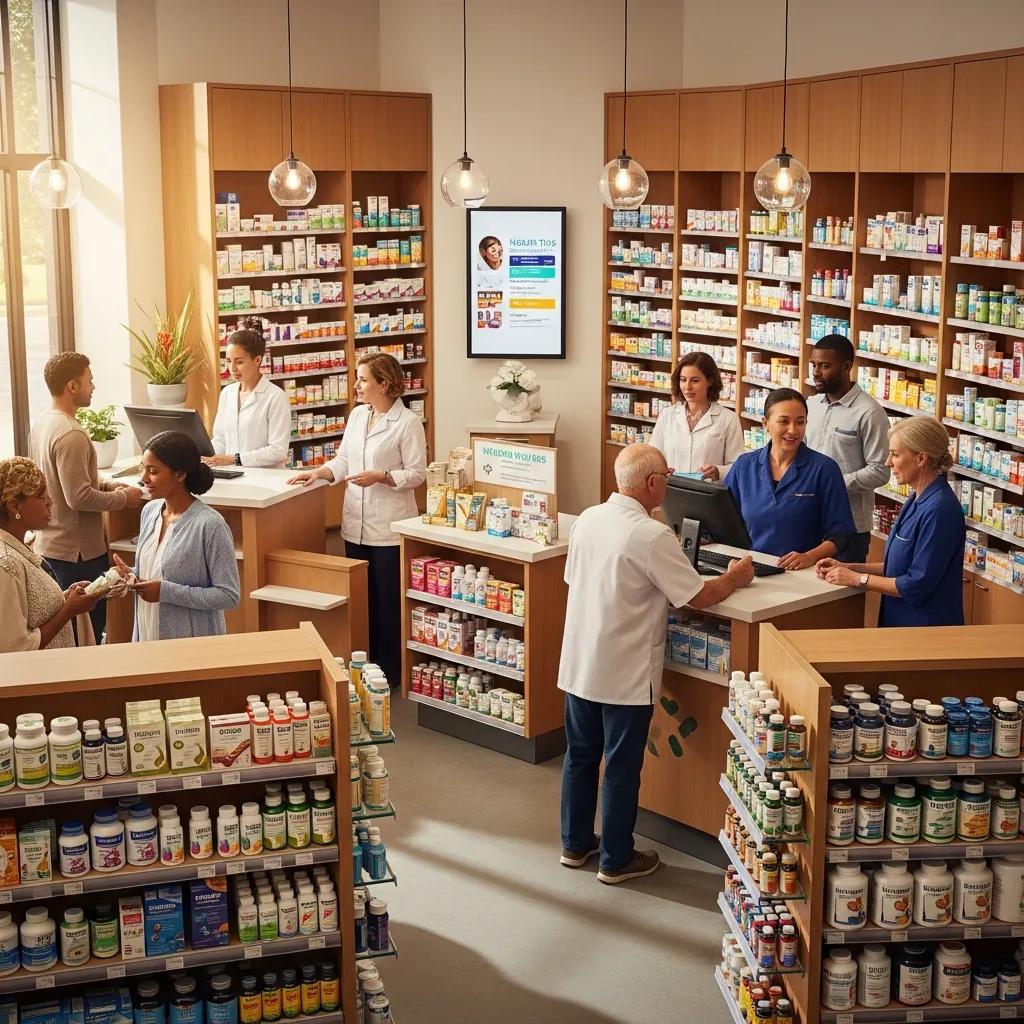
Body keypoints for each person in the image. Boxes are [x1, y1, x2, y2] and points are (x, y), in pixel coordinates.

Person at [558, 444, 754, 884]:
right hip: (624, 672)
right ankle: (616, 859)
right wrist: (735, 578)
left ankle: (574, 844)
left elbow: (577, 578)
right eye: (666, 475)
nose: (670, 481)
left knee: (581, 757)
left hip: (580, 663)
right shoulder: (651, 535)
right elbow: (698, 595)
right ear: (651, 483)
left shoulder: (589, 518)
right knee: (622, 766)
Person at [288, 353, 426, 684]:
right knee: (363, 603)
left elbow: (417, 473)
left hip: (388, 529)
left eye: (363, 379)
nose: (356, 385)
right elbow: (344, 460)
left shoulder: (406, 422)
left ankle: (392, 673)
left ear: (385, 384)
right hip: (355, 526)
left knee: (388, 604)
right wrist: (318, 473)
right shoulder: (357, 416)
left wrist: (381, 476)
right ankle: (367, 669)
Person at [30, 352, 144, 642]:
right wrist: (124, 500)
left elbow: (70, 482)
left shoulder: (45, 423)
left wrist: (108, 487)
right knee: (87, 635)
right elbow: (78, 497)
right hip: (77, 552)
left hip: (54, 546)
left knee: (72, 636)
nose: (93, 387)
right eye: (89, 381)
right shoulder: (71, 434)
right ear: (72, 386)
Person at [817, 416, 966, 627]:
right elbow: (899, 567)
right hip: (899, 619)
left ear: (921, 458)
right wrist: (851, 567)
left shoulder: (940, 510)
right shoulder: (916, 498)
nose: (888, 462)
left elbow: (916, 583)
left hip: (926, 628)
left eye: (895, 454)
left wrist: (856, 579)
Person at [112, 431, 240, 642]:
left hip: (190, 650)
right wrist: (132, 575)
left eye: (153, 471)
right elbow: (162, 571)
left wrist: (165, 592)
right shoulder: (150, 512)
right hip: (147, 637)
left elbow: (229, 595)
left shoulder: (210, 525)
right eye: (143, 468)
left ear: (180, 475)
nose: (143, 479)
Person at [724, 388, 855, 570]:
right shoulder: (744, 466)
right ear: (766, 423)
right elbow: (724, 520)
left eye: (800, 422)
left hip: (802, 574)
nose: (793, 430)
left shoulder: (824, 469)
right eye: (783, 421)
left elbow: (841, 535)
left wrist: (808, 557)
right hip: (751, 569)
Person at [0, 457, 101, 652]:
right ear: (14, 506)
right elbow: (16, 647)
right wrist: (69, 610)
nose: (50, 503)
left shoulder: (20, 547)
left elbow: (29, 612)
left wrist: (66, 598)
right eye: (41, 497)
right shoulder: (6, 564)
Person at [806, 333, 891, 562]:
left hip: (850, 526)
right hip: (809, 518)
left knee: (843, 594)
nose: (815, 372)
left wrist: (832, 485)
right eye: (813, 364)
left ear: (847, 366)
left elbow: (880, 470)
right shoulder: (811, 405)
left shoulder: (869, 412)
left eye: (824, 366)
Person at [205, 321, 291, 469]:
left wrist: (235, 459)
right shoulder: (227, 393)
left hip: (267, 480)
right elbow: (220, 439)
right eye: (228, 361)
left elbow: (278, 451)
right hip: (233, 476)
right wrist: (208, 459)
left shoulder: (276, 397)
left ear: (257, 360)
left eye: (239, 362)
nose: (232, 368)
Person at [650, 351, 743, 480]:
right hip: (670, 491)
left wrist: (718, 472)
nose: (687, 387)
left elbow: (738, 466)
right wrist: (662, 470)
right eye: (683, 380)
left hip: (707, 494)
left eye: (695, 380)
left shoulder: (728, 419)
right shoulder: (667, 415)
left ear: (709, 381)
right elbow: (653, 457)